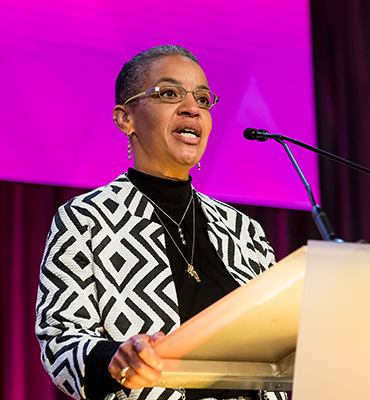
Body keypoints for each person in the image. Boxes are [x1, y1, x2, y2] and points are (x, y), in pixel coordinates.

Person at [35, 45, 287, 400]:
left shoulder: (243, 230)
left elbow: (280, 341)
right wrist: (114, 359)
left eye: (202, 99)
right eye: (169, 94)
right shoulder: (87, 218)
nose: (192, 108)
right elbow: (58, 338)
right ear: (126, 119)